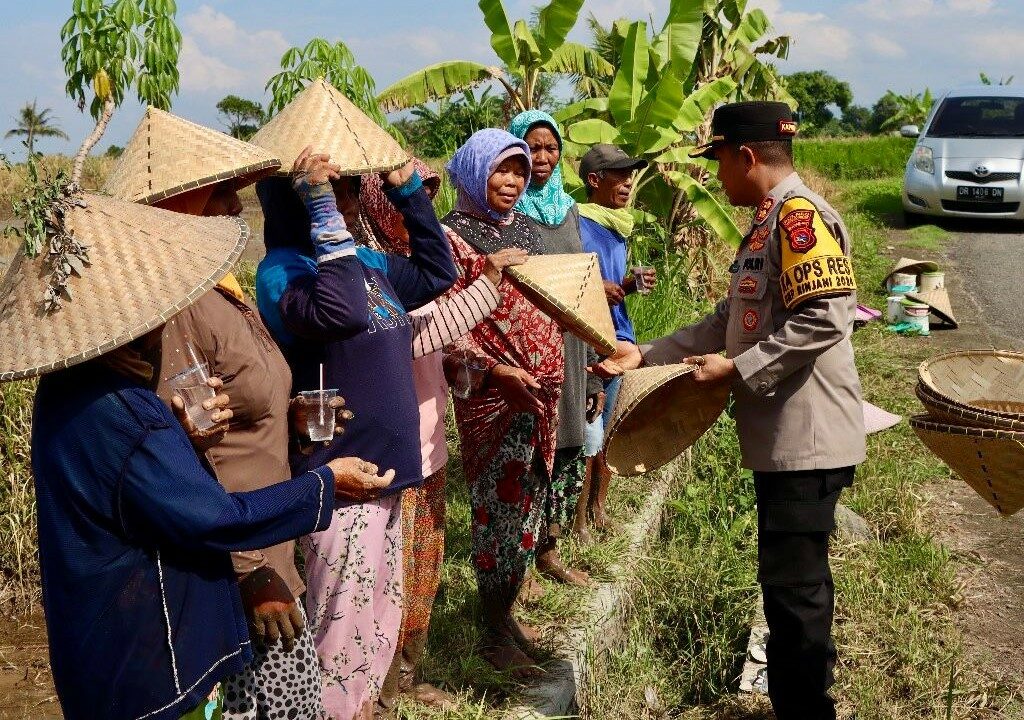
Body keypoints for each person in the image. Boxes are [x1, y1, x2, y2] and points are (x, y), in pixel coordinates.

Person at [12, 193, 391, 720]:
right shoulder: (125, 412)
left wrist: (185, 438)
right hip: (149, 661)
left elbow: (143, 486)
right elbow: (210, 516)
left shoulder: (67, 394)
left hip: (108, 653)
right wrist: (325, 484)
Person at [104, 114, 344, 720]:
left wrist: (282, 417)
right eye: (219, 195)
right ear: (182, 211)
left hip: (268, 543)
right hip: (243, 568)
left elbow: (226, 410)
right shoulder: (176, 309)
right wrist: (249, 572)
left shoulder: (220, 288)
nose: (237, 206)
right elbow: (181, 456)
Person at [642, 101, 865, 720]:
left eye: (717, 160)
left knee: (796, 593)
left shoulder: (798, 220)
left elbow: (826, 317)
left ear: (745, 156)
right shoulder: (767, 223)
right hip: (785, 438)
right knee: (789, 584)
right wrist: (643, 355)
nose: (716, 176)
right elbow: (727, 321)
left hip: (807, 437)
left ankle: (804, 709)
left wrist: (736, 369)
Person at [255, 148, 460, 720]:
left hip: (387, 474)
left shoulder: (364, 261)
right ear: (296, 205)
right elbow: (340, 315)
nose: (344, 201)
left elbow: (437, 275)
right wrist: (322, 212)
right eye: (330, 192)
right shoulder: (282, 271)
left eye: (346, 190)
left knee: (375, 619)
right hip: (341, 481)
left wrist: (407, 194)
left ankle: (364, 708)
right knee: (337, 629)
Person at [351, 160, 522, 712]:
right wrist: (487, 288)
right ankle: (377, 684)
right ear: (378, 201)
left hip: (428, 435)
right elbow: (415, 336)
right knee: (385, 571)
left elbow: (446, 351)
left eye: (425, 195)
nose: (417, 208)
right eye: (406, 198)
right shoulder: (365, 271)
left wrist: (486, 372)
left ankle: (405, 670)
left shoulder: (414, 263)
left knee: (423, 561)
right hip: (387, 446)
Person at [440, 129, 565, 676]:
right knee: (499, 512)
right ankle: (493, 635)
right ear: (473, 173)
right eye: (501, 170)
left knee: (529, 508)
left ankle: (507, 614)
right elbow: (444, 329)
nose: (513, 181)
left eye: (519, 171)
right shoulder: (450, 238)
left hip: (540, 395)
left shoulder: (525, 234)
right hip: (495, 398)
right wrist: (495, 371)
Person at [508, 109, 609, 580]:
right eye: (532, 147)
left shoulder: (566, 209)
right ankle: (520, 564)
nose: (542, 157)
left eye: (551, 148)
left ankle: (549, 549)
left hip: (571, 343)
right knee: (531, 452)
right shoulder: (505, 212)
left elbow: (584, 287)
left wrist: (591, 365)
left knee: (568, 448)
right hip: (528, 346)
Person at [576, 144, 651, 535]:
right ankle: (579, 521)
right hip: (594, 339)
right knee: (591, 431)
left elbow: (610, 288)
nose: (627, 183)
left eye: (630, 174)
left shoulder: (617, 227)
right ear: (594, 181)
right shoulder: (576, 224)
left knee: (609, 428)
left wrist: (628, 285)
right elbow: (572, 285)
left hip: (619, 335)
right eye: (619, 175)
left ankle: (598, 510)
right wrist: (595, 288)